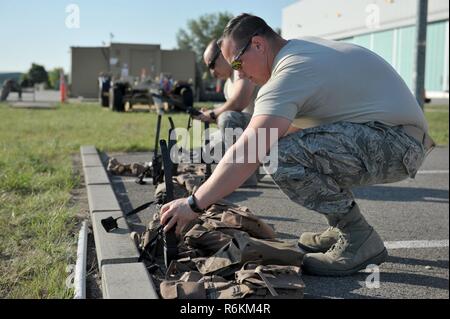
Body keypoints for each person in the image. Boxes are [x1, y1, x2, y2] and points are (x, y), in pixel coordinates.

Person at [159, 14, 435, 276]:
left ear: (258, 44)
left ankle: (357, 236)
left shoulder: (288, 73)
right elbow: (288, 134)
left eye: (237, 64)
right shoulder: (302, 49)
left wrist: (194, 203)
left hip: (398, 143)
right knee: (290, 146)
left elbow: (251, 150)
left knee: (279, 154)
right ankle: (340, 224)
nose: (239, 74)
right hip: (395, 135)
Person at [198, 39, 260, 186]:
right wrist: (208, 115)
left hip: (270, 129)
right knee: (211, 143)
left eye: (212, 65)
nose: (212, 72)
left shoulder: (241, 68)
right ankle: (252, 171)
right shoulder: (228, 85)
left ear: (222, 54)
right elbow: (236, 112)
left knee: (227, 117)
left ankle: (243, 176)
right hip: (254, 136)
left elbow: (239, 103)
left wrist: (213, 114)